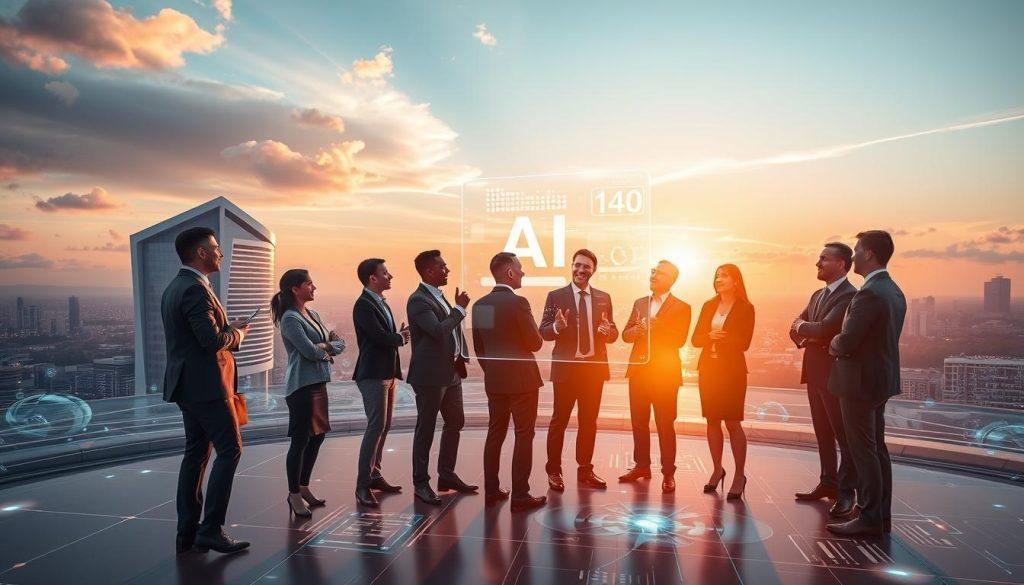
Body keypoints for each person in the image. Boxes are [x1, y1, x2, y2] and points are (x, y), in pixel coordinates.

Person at [161, 227, 250, 554]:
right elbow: (210, 342)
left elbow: (198, 336)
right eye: (215, 248)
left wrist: (229, 327)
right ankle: (211, 529)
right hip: (209, 388)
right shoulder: (196, 291)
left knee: (196, 455)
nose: (220, 253)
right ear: (200, 253)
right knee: (230, 450)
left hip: (188, 386)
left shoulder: (175, 287)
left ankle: (188, 532)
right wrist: (237, 334)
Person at [826, 230, 906, 537]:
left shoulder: (869, 293)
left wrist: (832, 341)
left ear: (869, 254)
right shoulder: (893, 290)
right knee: (877, 449)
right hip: (880, 381)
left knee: (863, 450)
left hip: (859, 384)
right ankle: (880, 515)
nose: (854, 255)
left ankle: (869, 517)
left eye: (857, 250)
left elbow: (847, 341)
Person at [472, 252, 547, 512]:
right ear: (510, 273)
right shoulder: (519, 303)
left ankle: (491, 491)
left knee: (495, 434)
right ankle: (521, 496)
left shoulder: (480, 305)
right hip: (523, 382)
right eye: (521, 268)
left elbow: (479, 348)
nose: (523, 273)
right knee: (523, 435)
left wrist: (493, 371)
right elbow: (534, 343)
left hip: (495, 381)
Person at [538, 249, 618, 491]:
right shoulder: (555, 296)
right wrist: (557, 326)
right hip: (567, 371)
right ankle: (554, 471)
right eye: (577, 265)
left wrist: (608, 332)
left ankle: (585, 470)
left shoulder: (604, 297)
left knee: (588, 422)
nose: (581, 270)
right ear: (572, 266)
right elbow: (544, 331)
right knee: (559, 421)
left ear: (593, 270)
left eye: (586, 267)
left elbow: (613, 332)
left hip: (593, 371)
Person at [790, 243, 858, 517]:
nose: (817, 263)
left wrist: (809, 330)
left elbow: (825, 328)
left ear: (841, 264)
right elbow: (796, 326)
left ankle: (845, 494)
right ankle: (828, 483)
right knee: (823, 434)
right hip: (815, 373)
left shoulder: (849, 295)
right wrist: (810, 332)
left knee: (843, 436)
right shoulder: (818, 294)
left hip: (835, 376)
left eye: (823, 259)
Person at [407, 250, 478, 505]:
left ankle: (446, 475)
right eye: (442, 267)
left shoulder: (440, 297)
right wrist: (459, 308)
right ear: (428, 271)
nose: (447, 270)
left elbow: (453, 331)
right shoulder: (418, 300)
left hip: (451, 373)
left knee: (455, 421)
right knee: (425, 428)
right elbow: (438, 331)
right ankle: (420, 483)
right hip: (429, 376)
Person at [273, 269, 343, 518]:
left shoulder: (312, 314)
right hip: (301, 387)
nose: (314, 288)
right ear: (295, 288)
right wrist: (326, 346)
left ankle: (303, 486)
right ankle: (293, 494)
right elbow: (309, 351)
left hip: (318, 382)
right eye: (309, 284)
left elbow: (339, 343)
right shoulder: (290, 319)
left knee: (318, 437)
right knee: (301, 440)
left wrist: (324, 346)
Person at [618, 260, 691, 493]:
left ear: (671, 279)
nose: (653, 275)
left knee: (664, 424)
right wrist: (637, 331)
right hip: (639, 372)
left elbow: (680, 340)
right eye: (652, 271)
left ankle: (668, 473)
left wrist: (658, 327)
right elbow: (625, 335)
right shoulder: (640, 302)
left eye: (659, 273)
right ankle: (641, 466)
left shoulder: (682, 307)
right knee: (638, 423)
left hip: (665, 376)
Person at [691, 263, 755, 500]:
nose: (719, 279)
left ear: (736, 280)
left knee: (732, 422)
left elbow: (744, 343)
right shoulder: (709, 305)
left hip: (732, 373)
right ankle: (718, 469)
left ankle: (739, 475)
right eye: (717, 276)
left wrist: (722, 339)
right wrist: (709, 337)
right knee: (712, 420)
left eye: (724, 276)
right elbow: (695, 339)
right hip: (708, 370)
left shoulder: (746, 308)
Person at [352, 258, 410, 507]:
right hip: (373, 374)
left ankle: (375, 475)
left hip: (386, 373)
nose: (390, 276)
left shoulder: (380, 302)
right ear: (372, 278)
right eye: (385, 273)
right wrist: (400, 337)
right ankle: (362, 485)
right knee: (375, 426)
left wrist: (397, 337)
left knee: (384, 426)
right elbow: (377, 337)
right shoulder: (364, 305)